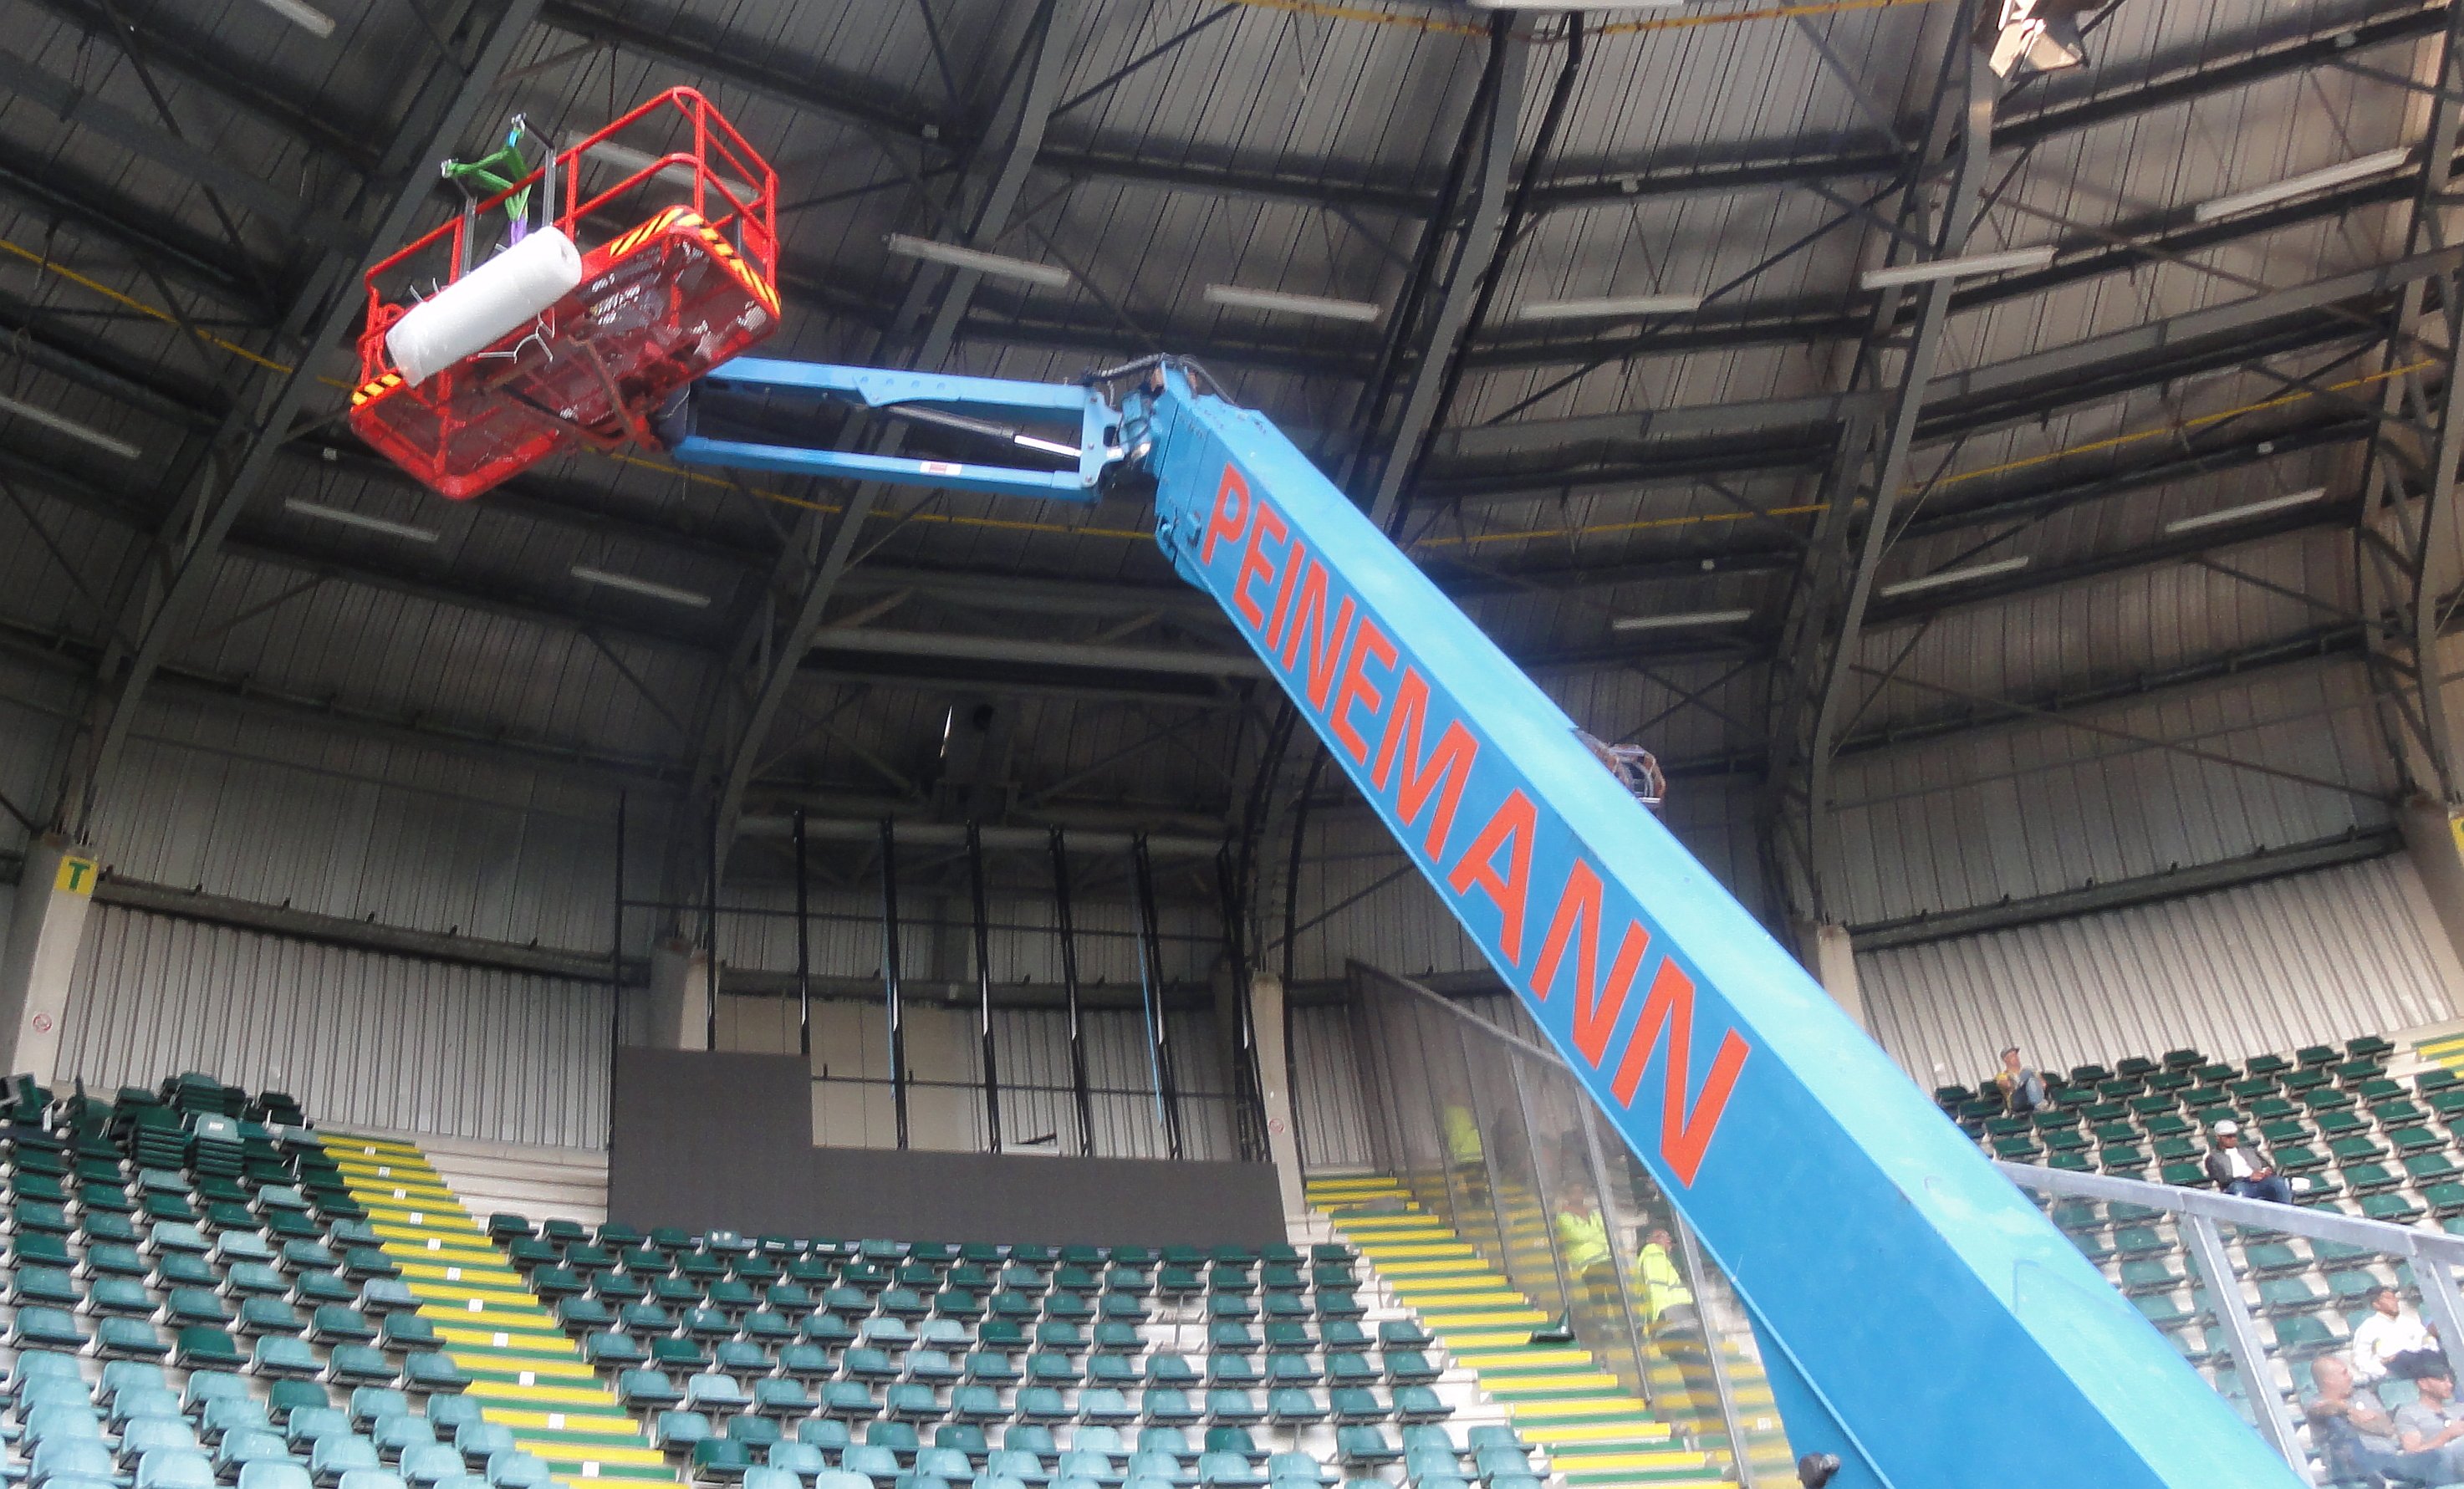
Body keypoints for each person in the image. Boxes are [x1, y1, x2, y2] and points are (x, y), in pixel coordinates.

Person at [2306, 1354, 2460, 1485]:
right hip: (2349, 1467)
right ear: (2329, 1381)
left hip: (2388, 1459)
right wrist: (2349, 1410)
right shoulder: (2315, 1404)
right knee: (2338, 1426)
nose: (2350, 1377)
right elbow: (2321, 1410)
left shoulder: (2362, 1395)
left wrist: (2358, 1420)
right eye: (2344, 1373)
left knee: (2438, 1457)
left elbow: (2386, 1427)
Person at [2354, 1287, 2448, 1384]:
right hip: (2395, 1369)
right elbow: (2361, 1359)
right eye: (2389, 1298)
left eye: (2394, 1297)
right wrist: (2384, 1372)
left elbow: (2428, 1341)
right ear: (2376, 1304)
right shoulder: (2368, 1328)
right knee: (2405, 1357)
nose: (2395, 1301)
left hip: (2421, 1362)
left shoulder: (2410, 1322)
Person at [2392, 1364, 2464, 1476]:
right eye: (2441, 1380)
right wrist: (2447, 1435)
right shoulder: (2409, 1413)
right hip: (2439, 1467)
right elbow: (2413, 1454)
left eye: (2450, 1380)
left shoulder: (2460, 1408)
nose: (2449, 1385)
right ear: (2423, 1383)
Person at [2203, 1120, 2293, 1203]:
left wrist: (2266, 1170)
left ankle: (2287, 1214)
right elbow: (2223, 1179)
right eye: (2229, 1136)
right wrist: (2248, 1178)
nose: (2233, 1139)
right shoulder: (2213, 1158)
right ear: (2219, 1138)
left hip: (2260, 1182)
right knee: (2238, 1189)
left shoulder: (2248, 1151)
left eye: (2234, 1135)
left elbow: (2266, 1164)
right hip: (2239, 1184)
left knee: (2279, 1182)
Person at [1633, 1225, 1698, 1331]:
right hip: (1674, 1313)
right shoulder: (1655, 1254)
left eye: (1668, 1236)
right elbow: (1657, 1292)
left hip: (1671, 1315)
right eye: (1659, 1236)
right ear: (1649, 1240)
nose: (1667, 1239)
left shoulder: (1654, 1258)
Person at [1993, 1048, 2047, 1115]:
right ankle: (2040, 1104)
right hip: (2016, 1100)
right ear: (2005, 1059)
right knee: (2029, 1073)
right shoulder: (2002, 1075)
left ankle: (2039, 1104)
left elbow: (2043, 1084)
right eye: (2012, 1056)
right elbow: (2008, 1085)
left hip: (2032, 1095)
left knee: (2030, 1077)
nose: (2016, 1058)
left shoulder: (2029, 1071)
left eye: (2016, 1055)